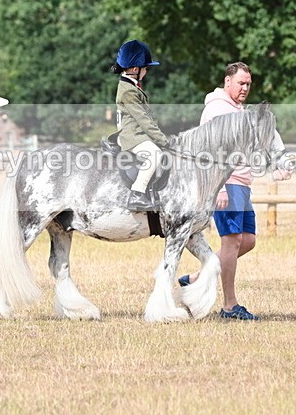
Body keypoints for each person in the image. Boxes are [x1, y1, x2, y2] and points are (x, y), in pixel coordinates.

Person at [178, 61, 281, 320]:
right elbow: (209, 150)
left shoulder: (239, 109)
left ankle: (196, 277)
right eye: (241, 83)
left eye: (248, 84)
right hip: (227, 183)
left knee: (248, 241)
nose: (245, 88)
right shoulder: (217, 110)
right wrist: (220, 187)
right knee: (232, 242)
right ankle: (229, 306)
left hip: (242, 183)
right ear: (227, 82)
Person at [111, 39, 169, 211]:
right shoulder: (128, 91)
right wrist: (162, 140)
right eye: (146, 68)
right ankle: (137, 193)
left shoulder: (131, 86)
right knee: (155, 154)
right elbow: (143, 120)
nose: (146, 71)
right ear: (135, 69)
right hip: (132, 137)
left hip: (137, 135)